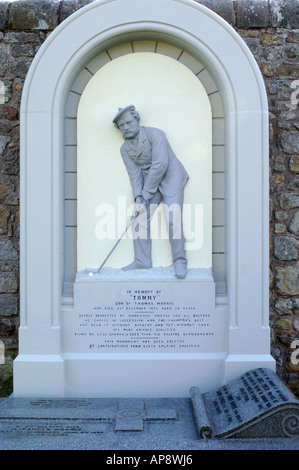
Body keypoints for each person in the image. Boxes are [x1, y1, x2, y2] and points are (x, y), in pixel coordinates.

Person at [113, 105, 189, 279]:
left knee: (172, 218)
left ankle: (180, 260)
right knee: (139, 217)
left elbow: (160, 164)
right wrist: (139, 197)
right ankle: (142, 260)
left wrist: (146, 193)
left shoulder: (156, 134)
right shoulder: (125, 149)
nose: (125, 127)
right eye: (122, 125)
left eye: (128, 122)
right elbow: (135, 175)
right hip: (149, 183)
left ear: (137, 120)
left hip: (171, 177)